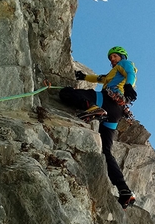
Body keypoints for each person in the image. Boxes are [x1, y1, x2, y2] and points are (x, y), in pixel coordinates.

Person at [59, 46, 138, 209]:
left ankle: (92, 107)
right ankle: (124, 190)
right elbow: (100, 79)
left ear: (121, 56)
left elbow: (131, 73)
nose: (112, 60)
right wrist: (84, 76)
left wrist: (129, 86)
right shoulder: (114, 72)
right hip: (116, 113)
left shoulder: (125, 64)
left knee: (67, 93)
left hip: (108, 100)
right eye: (111, 58)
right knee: (105, 151)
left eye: (114, 56)